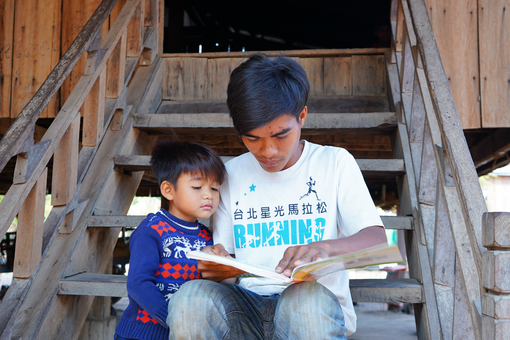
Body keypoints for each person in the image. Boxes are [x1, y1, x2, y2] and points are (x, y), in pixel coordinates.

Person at [166, 54, 388, 339]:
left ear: (302, 117)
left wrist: (325, 249)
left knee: (304, 303)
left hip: (311, 308)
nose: (267, 152)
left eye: (280, 135)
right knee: (190, 297)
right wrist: (218, 266)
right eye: (253, 138)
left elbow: (378, 241)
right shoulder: (230, 174)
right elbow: (231, 267)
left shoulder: (334, 163)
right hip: (246, 309)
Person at [114, 141, 226, 340]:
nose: (208, 195)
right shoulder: (153, 230)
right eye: (197, 186)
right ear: (168, 190)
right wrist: (174, 319)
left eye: (215, 188)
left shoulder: (208, 237)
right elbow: (139, 284)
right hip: (143, 334)